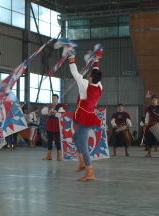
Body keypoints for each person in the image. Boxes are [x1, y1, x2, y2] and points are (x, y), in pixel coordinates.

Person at [68, 44, 103, 181]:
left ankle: (89, 173)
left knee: (83, 145)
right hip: (88, 114)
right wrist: (96, 59)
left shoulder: (84, 85)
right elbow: (96, 70)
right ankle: (82, 162)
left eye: (89, 75)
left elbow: (75, 73)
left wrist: (72, 57)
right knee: (75, 138)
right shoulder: (99, 85)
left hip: (84, 117)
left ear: (90, 77)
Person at [41, 94, 67, 161]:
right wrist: (50, 111)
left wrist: (55, 113)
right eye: (52, 98)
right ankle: (49, 156)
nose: (53, 99)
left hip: (57, 123)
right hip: (50, 123)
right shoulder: (48, 105)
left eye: (55, 98)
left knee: (58, 140)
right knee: (49, 140)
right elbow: (43, 112)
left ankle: (59, 156)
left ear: (58, 98)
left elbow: (62, 114)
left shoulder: (60, 106)